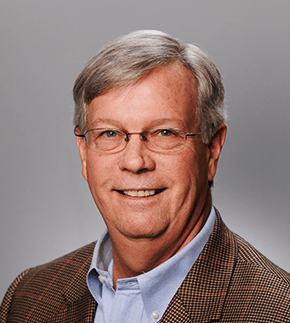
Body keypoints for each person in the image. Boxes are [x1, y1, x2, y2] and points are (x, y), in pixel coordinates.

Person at [1, 30, 290, 323]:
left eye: (164, 133)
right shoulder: (28, 298)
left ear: (211, 149)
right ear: (84, 152)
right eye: (110, 133)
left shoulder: (278, 310)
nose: (135, 161)